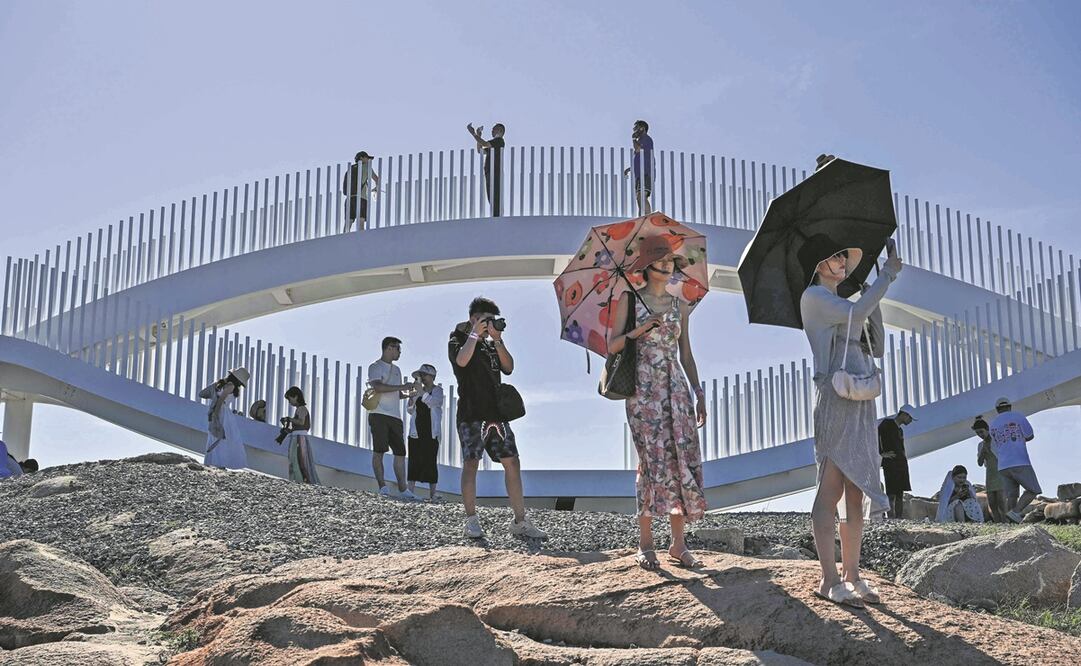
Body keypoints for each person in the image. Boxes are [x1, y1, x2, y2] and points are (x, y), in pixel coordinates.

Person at [799, 232, 902, 607]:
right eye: (835, 256)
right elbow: (855, 315)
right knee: (831, 486)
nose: (842, 262)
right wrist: (886, 276)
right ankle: (829, 579)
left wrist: (873, 298)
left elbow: (878, 344)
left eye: (845, 256)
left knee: (856, 490)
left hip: (860, 400)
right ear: (818, 264)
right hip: (835, 398)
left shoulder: (845, 301)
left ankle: (852, 574)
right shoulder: (814, 297)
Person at [608, 235, 708, 570]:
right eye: (660, 260)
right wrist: (639, 330)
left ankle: (678, 544)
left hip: (676, 387)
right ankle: (645, 543)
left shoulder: (681, 305)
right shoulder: (629, 299)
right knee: (650, 460)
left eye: (670, 261)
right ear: (647, 266)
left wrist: (698, 392)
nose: (667, 265)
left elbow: (687, 354)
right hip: (642, 389)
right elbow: (613, 345)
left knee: (680, 457)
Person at [449, 297, 546, 539]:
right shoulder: (458, 338)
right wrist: (474, 334)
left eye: (493, 320)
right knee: (471, 462)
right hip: (471, 412)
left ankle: (520, 521)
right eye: (486, 320)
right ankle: (471, 520)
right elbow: (461, 361)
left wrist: (498, 339)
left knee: (512, 461)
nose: (490, 324)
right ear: (474, 319)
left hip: (497, 414)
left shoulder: (492, 345)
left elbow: (509, 367)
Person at [368, 337, 416, 499]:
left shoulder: (397, 370)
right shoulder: (375, 366)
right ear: (389, 347)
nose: (400, 353)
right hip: (378, 414)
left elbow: (395, 393)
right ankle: (382, 487)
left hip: (395, 416)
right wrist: (402, 386)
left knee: (400, 452)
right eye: (398, 349)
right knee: (379, 450)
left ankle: (403, 490)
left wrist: (409, 393)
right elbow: (378, 387)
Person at [989, 397, 1039, 523]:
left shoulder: (992, 424)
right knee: (1033, 490)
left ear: (997, 410)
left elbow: (996, 443)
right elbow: (1030, 435)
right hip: (1019, 461)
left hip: (1002, 465)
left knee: (1012, 495)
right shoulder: (1018, 416)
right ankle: (1016, 512)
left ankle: (1012, 522)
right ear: (1010, 407)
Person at [406, 363, 444, 500]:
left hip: (431, 431)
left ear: (432, 376)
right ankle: (410, 490)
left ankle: (433, 493)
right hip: (416, 430)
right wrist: (412, 398)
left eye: (424, 375)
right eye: (420, 375)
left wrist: (421, 392)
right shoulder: (418, 391)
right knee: (413, 459)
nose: (422, 377)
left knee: (430, 460)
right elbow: (410, 410)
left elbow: (434, 402)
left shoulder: (438, 390)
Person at [199, 367, 250, 469]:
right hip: (222, 413)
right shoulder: (231, 386)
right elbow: (221, 401)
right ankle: (220, 463)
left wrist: (215, 386)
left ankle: (213, 462)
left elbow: (203, 394)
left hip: (218, 411)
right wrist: (216, 415)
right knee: (224, 438)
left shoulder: (221, 385)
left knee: (215, 436)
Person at [878, 404, 916, 519]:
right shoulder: (887, 424)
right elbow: (875, 437)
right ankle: (891, 518)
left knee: (900, 493)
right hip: (891, 464)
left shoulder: (900, 430)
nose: (910, 421)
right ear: (904, 414)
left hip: (901, 464)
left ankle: (898, 518)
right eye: (910, 418)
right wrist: (881, 454)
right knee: (891, 493)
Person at [276, 386, 319, 484]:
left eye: (290, 399)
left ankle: (300, 481)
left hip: (300, 438)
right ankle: (296, 480)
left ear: (296, 396)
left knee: (298, 460)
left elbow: (301, 422)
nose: (289, 402)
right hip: (297, 436)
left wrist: (289, 419)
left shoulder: (302, 408)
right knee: (294, 460)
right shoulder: (299, 409)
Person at [972, 417, 1007, 522]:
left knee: (1001, 500)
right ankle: (997, 522)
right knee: (992, 502)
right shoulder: (980, 445)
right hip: (990, 473)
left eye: (981, 432)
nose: (980, 435)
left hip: (1000, 472)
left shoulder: (997, 440)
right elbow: (979, 463)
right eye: (977, 433)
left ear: (987, 429)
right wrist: (983, 451)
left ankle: (1005, 521)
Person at [466, 123, 505, 217]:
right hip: (489, 172)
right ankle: (495, 215)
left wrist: (474, 134)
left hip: (495, 172)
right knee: (491, 195)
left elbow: (484, 144)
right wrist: (478, 136)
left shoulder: (499, 141)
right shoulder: (494, 144)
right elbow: (480, 150)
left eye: (494, 129)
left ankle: (497, 216)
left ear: (500, 130)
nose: (492, 131)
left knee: (495, 195)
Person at [342, 151, 381, 232]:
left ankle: (344, 238)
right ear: (361, 158)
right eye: (367, 158)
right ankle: (361, 238)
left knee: (348, 223)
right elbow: (377, 179)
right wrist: (376, 188)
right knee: (361, 221)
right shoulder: (366, 167)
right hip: (361, 198)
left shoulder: (351, 168)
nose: (368, 160)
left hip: (349, 198)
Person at [622, 120, 655, 216]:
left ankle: (648, 216)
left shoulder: (646, 139)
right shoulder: (641, 140)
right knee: (639, 197)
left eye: (636, 128)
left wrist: (633, 139)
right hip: (639, 174)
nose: (634, 130)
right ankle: (642, 217)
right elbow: (640, 159)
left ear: (642, 128)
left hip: (645, 173)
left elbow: (638, 149)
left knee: (641, 196)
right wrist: (630, 168)